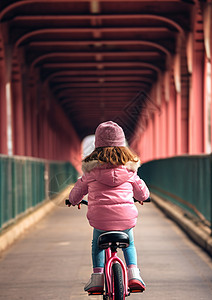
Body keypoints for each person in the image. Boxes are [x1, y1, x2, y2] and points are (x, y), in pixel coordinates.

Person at [68, 121, 150, 294]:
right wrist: (142, 198)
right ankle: (134, 274)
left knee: (96, 243)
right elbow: (143, 194)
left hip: (100, 220)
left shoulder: (90, 172)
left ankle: (97, 278)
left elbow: (76, 192)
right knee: (129, 242)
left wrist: (73, 201)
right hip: (125, 219)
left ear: (97, 146)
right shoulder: (129, 171)